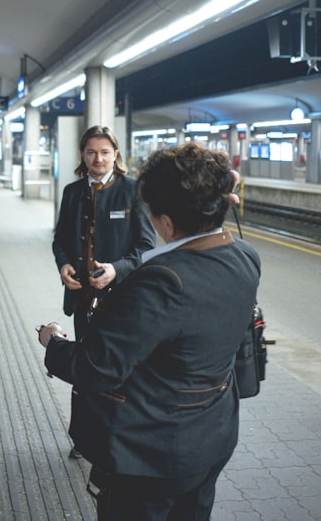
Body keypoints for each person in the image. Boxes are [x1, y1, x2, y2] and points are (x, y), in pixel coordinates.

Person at [38, 143, 261, 521]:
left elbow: (98, 367)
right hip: (213, 436)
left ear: (167, 223)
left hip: (152, 453)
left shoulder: (162, 281)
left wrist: (53, 341)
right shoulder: (244, 256)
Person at [52, 125, 156, 460]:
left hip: (121, 300)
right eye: (91, 152)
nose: (98, 158)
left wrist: (117, 270)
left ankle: (117, 439)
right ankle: (82, 439)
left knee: (120, 371)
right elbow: (59, 240)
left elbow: (146, 248)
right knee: (84, 370)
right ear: (82, 155)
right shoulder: (71, 192)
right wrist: (64, 265)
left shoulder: (133, 191)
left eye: (105, 152)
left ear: (116, 155)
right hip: (83, 298)